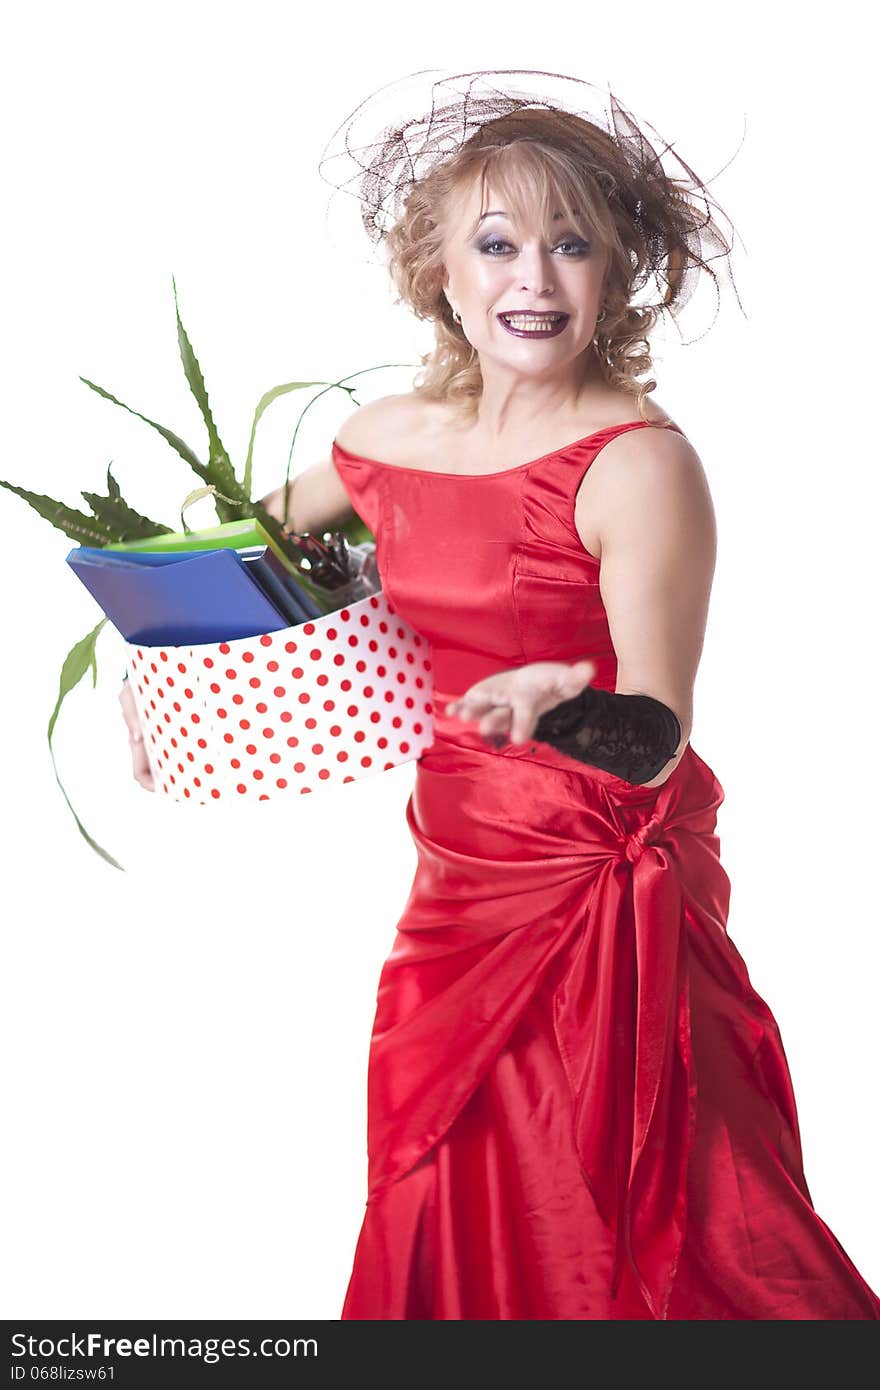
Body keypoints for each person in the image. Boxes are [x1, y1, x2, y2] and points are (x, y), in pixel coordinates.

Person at [120, 73, 880, 1320]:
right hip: (456, 879)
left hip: (593, 887)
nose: (534, 276)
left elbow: (653, 734)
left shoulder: (637, 465)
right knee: (438, 1179)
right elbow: (215, 554)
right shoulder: (389, 438)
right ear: (440, 272)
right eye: (497, 244)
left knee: (650, 1205)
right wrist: (160, 691)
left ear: (613, 272)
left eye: (569, 243)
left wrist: (544, 705)